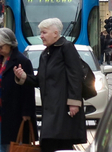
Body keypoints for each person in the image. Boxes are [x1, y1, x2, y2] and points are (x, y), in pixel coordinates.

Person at [29, 18, 87, 152]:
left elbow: (75, 74)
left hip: (63, 109)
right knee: (49, 142)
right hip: (50, 109)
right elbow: (40, 79)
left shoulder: (66, 47)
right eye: (41, 33)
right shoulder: (46, 53)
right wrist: (23, 77)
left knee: (60, 143)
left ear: (55, 33)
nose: (41, 36)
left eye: (44, 32)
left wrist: (74, 102)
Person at [0, 28, 37, 152]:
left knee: (10, 145)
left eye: (1, 46)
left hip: (15, 112)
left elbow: (28, 89)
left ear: (10, 44)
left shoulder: (22, 61)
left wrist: (27, 112)